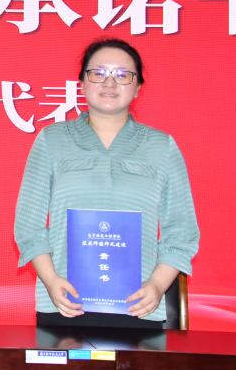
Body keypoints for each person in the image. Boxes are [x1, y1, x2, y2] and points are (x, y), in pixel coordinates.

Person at [14, 38, 199, 328]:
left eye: (123, 75)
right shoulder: (52, 140)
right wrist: (50, 280)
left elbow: (182, 231)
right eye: (98, 73)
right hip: (63, 304)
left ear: (138, 87)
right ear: (82, 83)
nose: (109, 83)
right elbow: (28, 225)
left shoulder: (161, 147)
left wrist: (157, 285)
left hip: (139, 307)